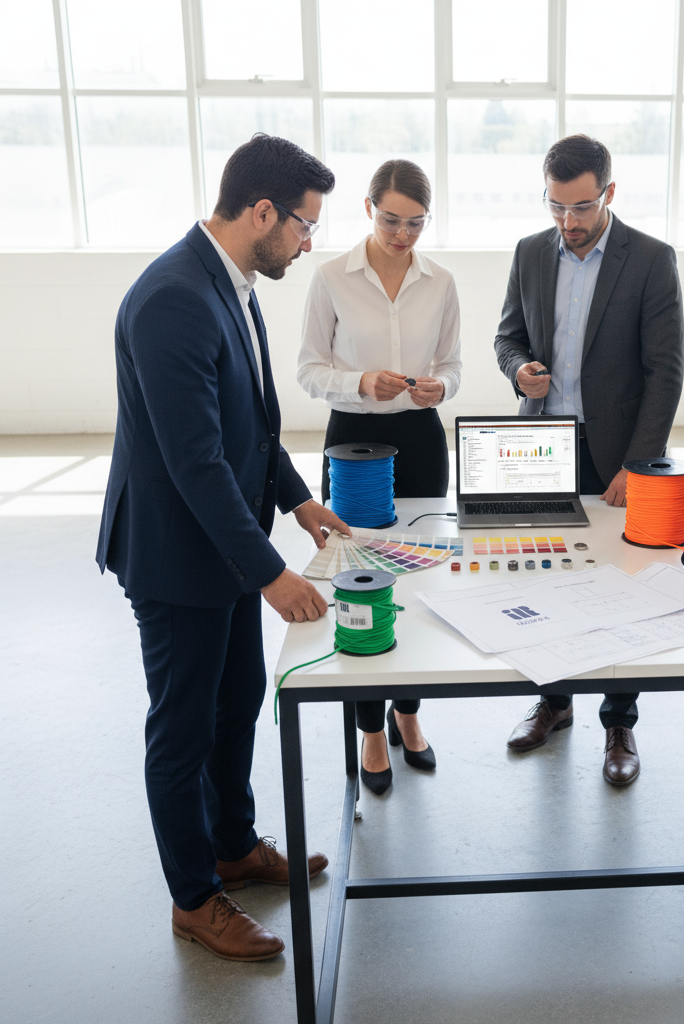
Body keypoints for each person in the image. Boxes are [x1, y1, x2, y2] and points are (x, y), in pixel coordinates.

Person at [96, 134, 350, 961]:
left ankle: (233, 844)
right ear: (262, 212)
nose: (309, 243)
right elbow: (194, 461)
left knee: (238, 699)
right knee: (182, 730)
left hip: (228, 545)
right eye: (304, 227)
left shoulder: (231, 281)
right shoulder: (173, 296)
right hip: (176, 556)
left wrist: (299, 500)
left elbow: (252, 425)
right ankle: (193, 896)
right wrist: (272, 573)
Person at [493, 134, 684, 786]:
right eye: (556, 206)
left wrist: (640, 464)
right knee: (544, 578)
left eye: (580, 206)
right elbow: (508, 335)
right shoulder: (529, 252)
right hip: (541, 448)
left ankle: (620, 721)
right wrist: (521, 372)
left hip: (617, 458)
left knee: (619, 588)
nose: (568, 222)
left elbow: (665, 372)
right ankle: (553, 700)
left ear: (608, 192)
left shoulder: (652, 260)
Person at [297, 159, 461, 796]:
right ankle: (370, 727)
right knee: (360, 583)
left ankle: (409, 714)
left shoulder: (439, 281)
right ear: (368, 208)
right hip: (353, 445)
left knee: (418, 579)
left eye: (416, 223)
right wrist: (361, 382)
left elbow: (453, 364)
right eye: (391, 220)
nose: (403, 235)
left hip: (421, 440)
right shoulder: (332, 277)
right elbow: (310, 371)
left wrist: (439, 385)